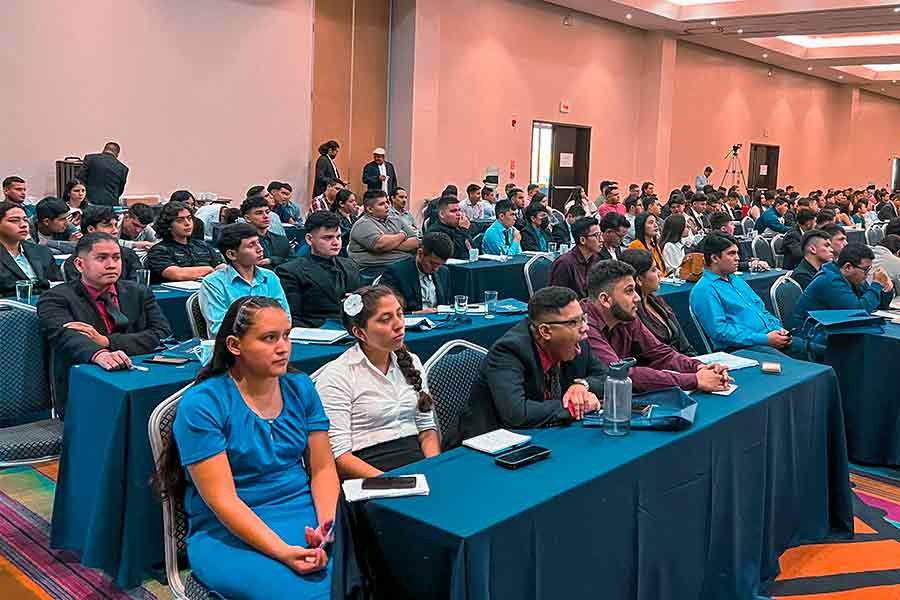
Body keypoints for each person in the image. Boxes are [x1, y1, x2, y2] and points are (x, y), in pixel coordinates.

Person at [154, 296, 338, 599]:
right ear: (235, 345)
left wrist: (327, 526)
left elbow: (322, 468)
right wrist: (283, 551)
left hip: (306, 514)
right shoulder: (204, 404)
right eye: (269, 338)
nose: (283, 347)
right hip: (228, 531)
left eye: (286, 335)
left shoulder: (300, 387)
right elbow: (223, 500)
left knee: (384, 567)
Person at [38, 233, 171, 411]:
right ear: (79, 264)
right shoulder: (56, 298)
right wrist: (100, 354)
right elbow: (67, 337)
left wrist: (106, 342)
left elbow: (161, 333)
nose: (111, 265)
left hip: (141, 376)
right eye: (101, 258)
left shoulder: (138, 292)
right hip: (89, 384)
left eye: (116, 258)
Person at [458, 286, 607, 445]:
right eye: (574, 322)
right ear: (545, 331)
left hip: (547, 435)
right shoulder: (509, 351)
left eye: (583, 318)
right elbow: (517, 413)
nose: (585, 327)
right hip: (488, 445)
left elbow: (607, 377)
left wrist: (582, 385)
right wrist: (575, 406)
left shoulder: (576, 342)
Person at [315, 286, 439, 476]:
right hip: (368, 470)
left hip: (415, 461)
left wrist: (433, 468)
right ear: (360, 332)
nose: (399, 325)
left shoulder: (411, 361)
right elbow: (339, 455)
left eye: (400, 314)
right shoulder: (338, 375)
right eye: (386, 319)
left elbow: (426, 428)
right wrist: (391, 483)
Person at [582, 261, 730, 393]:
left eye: (634, 290)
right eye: (629, 291)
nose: (637, 298)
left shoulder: (625, 316)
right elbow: (620, 373)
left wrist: (700, 367)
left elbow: (660, 353)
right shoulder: (583, 325)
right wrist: (694, 380)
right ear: (605, 299)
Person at [689, 233, 791, 351]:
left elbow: (762, 310)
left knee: (813, 348)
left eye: (737, 253)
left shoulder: (737, 280)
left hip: (768, 338)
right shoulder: (704, 290)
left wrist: (778, 330)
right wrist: (765, 339)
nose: (737, 258)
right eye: (731, 253)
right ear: (714, 258)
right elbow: (720, 332)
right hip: (743, 349)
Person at [199, 224, 289, 337]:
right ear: (232, 254)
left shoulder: (270, 277)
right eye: (251, 245)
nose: (260, 249)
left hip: (271, 341)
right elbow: (219, 328)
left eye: (258, 242)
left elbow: (285, 316)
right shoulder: (213, 283)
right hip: (234, 347)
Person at [276, 211, 361, 327]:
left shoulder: (350, 265)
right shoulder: (290, 271)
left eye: (338, 237)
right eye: (328, 238)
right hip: (315, 332)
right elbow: (292, 317)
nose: (336, 243)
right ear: (309, 239)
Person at [788, 243, 894, 330]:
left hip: (830, 330)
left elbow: (878, 305)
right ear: (848, 267)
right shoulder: (830, 281)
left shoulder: (853, 278)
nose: (867, 274)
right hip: (808, 336)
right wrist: (876, 284)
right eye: (866, 269)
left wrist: (886, 288)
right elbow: (859, 313)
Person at [618, 249, 697, 356]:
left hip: (682, 361)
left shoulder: (657, 302)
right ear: (639, 280)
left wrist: (696, 362)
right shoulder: (631, 313)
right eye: (654, 270)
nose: (660, 273)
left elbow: (684, 344)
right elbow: (654, 356)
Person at [146, 201, 223, 284]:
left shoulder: (202, 245)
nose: (187, 223)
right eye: (180, 220)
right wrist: (209, 270)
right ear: (168, 225)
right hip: (175, 295)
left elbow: (221, 267)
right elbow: (177, 274)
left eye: (189, 218)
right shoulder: (159, 250)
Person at [63, 205, 142, 282]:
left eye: (115, 225)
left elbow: (138, 288)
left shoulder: (129, 255)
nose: (115, 231)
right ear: (91, 229)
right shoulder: (75, 262)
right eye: (108, 226)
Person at [348, 190, 419, 273]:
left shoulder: (395, 219)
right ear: (370, 209)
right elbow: (381, 245)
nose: (387, 206)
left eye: (387, 202)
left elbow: (415, 241)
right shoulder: (363, 224)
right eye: (381, 204)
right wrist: (402, 235)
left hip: (399, 264)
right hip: (372, 271)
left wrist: (390, 243)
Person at [0, 201, 62, 297]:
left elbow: (58, 285)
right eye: (14, 220)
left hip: (48, 306)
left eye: (25, 220)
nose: (23, 225)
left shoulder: (42, 252)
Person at [380, 232, 452, 312]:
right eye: (433, 263)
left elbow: (445, 305)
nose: (436, 269)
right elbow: (387, 310)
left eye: (440, 264)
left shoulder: (444, 272)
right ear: (420, 253)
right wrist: (415, 314)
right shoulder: (396, 273)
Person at [549, 217, 601, 298]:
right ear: (582, 240)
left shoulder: (595, 259)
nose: (601, 240)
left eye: (601, 235)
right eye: (596, 235)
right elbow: (556, 298)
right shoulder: (565, 263)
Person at [240, 196, 292, 268]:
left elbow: (295, 262)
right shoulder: (242, 242)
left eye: (267, 212)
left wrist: (273, 260)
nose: (266, 216)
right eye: (259, 213)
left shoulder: (282, 240)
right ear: (247, 218)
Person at [76, 142, 128, 207]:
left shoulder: (91, 159)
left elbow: (80, 178)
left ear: (104, 150)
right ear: (117, 154)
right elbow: (120, 190)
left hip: (90, 202)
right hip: (110, 205)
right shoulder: (123, 168)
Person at [426, 195, 472, 260]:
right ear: (442, 214)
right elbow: (455, 253)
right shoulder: (435, 232)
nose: (459, 214)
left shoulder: (458, 227)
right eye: (453, 211)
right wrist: (463, 230)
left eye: (459, 210)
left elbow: (472, 249)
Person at [331, 188, 358, 256]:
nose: (355, 204)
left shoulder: (353, 216)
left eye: (355, 201)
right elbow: (346, 235)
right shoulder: (335, 218)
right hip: (342, 252)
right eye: (351, 201)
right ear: (341, 204)